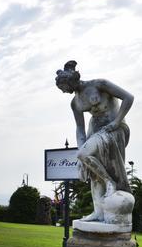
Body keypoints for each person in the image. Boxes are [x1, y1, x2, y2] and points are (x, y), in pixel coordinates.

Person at [55, 60, 134, 223]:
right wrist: (81, 146)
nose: (64, 92)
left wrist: (117, 122)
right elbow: (80, 129)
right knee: (91, 168)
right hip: (96, 131)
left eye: (64, 87)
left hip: (114, 129)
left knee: (83, 155)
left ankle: (110, 182)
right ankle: (98, 211)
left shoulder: (99, 84)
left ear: (70, 81)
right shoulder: (74, 102)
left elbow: (128, 98)